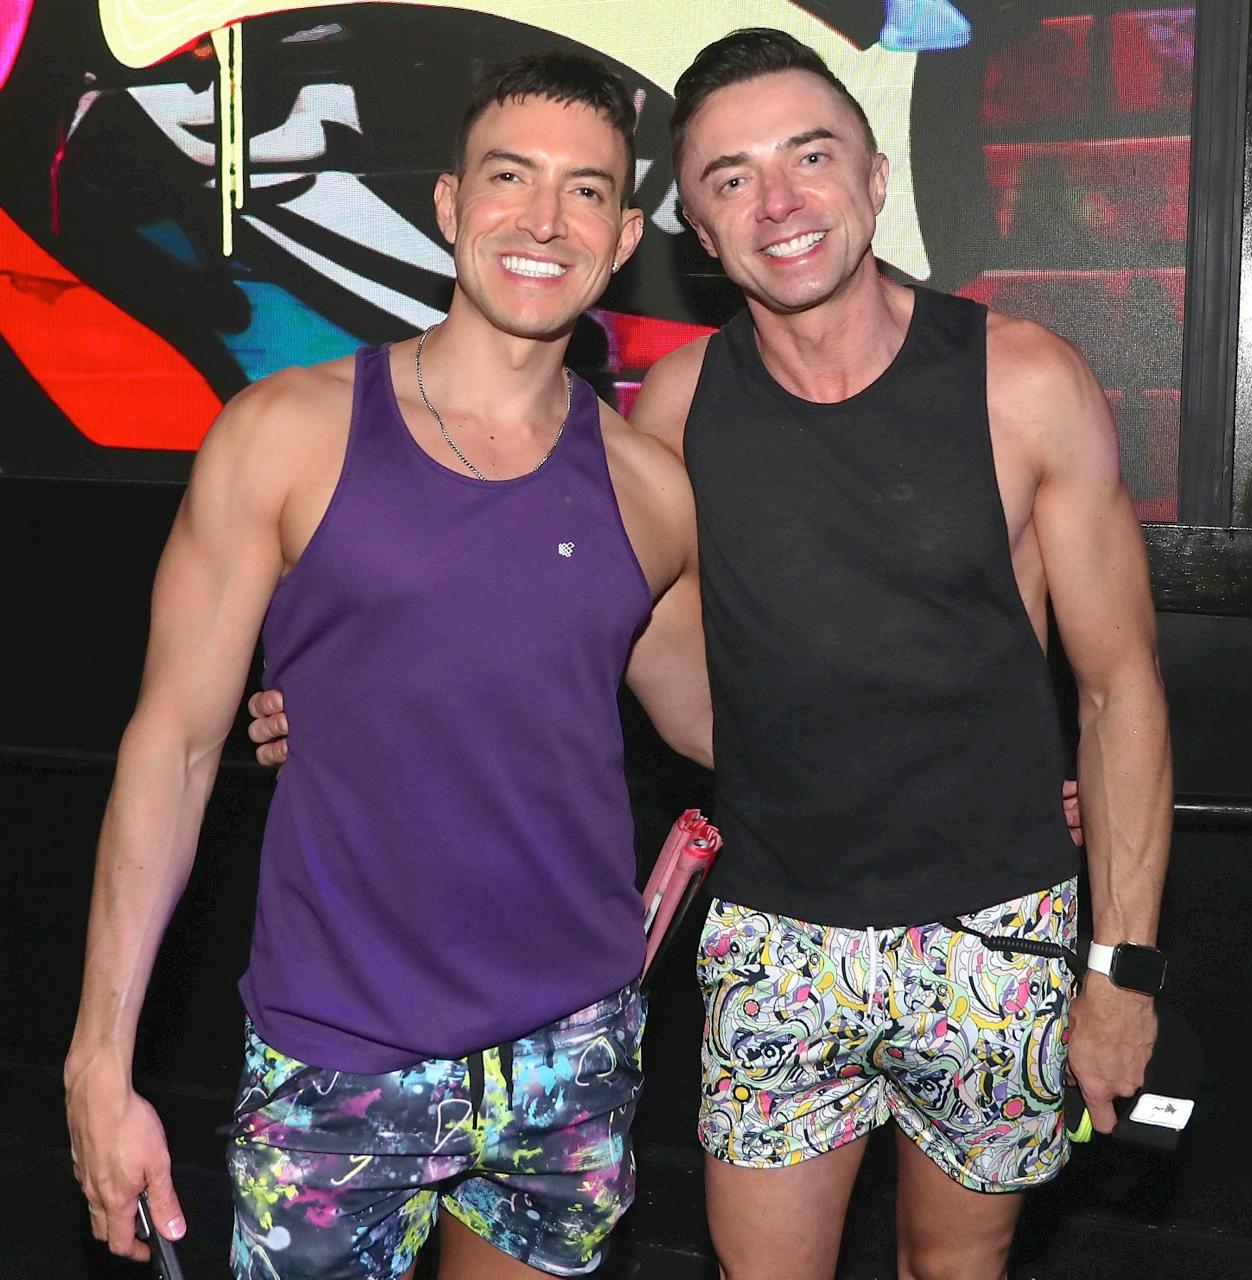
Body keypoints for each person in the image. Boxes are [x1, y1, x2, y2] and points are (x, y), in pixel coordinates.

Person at [246, 28, 1162, 1280]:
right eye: (732, 177)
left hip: (995, 930)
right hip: (772, 934)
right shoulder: (668, 417)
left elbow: (1118, 688)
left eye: (810, 156)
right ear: (697, 232)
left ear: (875, 175)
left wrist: (1121, 968)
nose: (778, 201)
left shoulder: (1027, 383)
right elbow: (553, 621)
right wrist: (341, 699)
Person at [63, 52, 712, 1280]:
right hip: (337, 1058)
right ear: (451, 204)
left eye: (585, 191)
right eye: (509, 177)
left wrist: (997, 759)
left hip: (571, 1052)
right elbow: (174, 745)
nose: (543, 219)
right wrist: (99, 1059)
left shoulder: (651, 489)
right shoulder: (285, 433)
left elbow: (722, 725)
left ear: (624, 236)